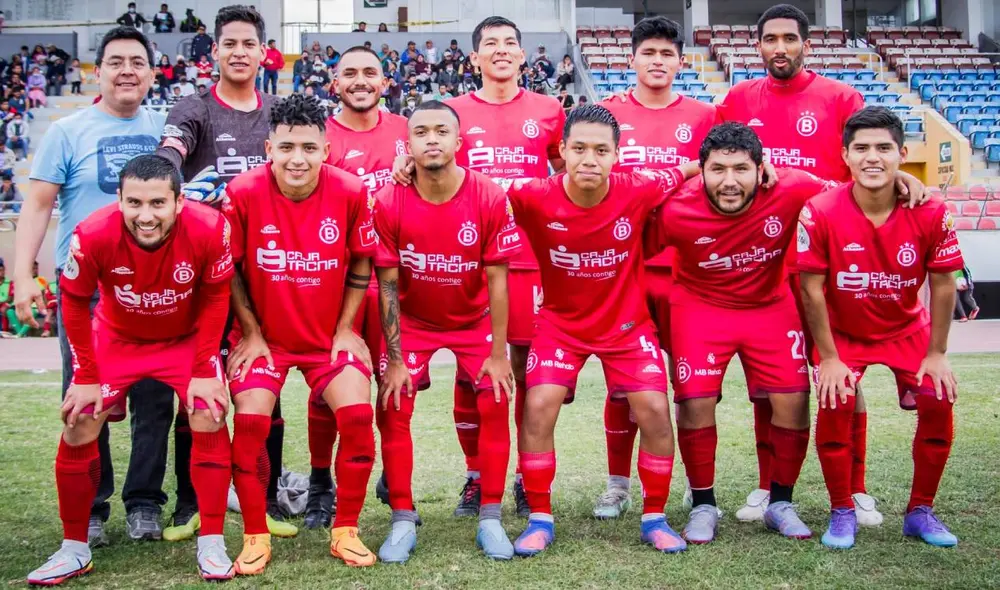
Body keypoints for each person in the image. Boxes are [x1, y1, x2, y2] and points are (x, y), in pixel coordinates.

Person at [26, 154, 236, 585]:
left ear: (179, 202)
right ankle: (74, 548)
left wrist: (203, 368)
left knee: (208, 411)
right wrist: (85, 377)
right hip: (118, 339)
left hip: (185, 339)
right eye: (134, 203)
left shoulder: (212, 227)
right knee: (79, 421)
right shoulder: (93, 233)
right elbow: (74, 302)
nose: (145, 216)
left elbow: (217, 298)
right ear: (119, 199)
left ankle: (212, 542)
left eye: (158, 203)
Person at [500, 104, 697, 557]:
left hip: (626, 327)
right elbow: (473, 189)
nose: (590, 159)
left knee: (652, 407)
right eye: (580, 148)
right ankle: (540, 518)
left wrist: (763, 166)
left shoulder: (639, 187)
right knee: (538, 405)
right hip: (560, 325)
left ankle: (655, 517)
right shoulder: (531, 194)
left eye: (601, 150)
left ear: (616, 156)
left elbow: (690, 168)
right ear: (563, 151)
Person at [392, 16, 566, 518]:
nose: (502, 50)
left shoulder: (549, 110)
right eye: (491, 44)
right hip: (465, 259)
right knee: (474, 374)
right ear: (474, 58)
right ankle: (476, 476)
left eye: (511, 42)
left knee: (523, 373)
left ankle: (522, 475)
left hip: (530, 259)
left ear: (522, 52)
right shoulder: (451, 113)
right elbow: (424, 159)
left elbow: (564, 175)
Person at [713, 3, 875, 524]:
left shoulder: (841, 97)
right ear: (757, 46)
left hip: (828, 258)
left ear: (806, 43)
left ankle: (856, 487)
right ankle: (766, 487)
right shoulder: (738, 99)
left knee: (844, 374)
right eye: (769, 40)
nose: (779, 48)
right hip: (764, 261)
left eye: (788, 38)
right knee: (771, 382)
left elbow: (866, 165)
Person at [13, 26, 172, 548]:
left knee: (153, 402)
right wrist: (22, 275)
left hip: (153, 291)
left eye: (137, 61)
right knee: (85, 398)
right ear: (96, 71)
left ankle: (145, 503)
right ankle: (94, 505)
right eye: (115, 61)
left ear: (152, 72)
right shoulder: (66, 130)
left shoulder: (169, 127)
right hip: (89, 292)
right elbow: (38, 206)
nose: (127, 70)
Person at [221, 94, 378, 572]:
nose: (297, 159)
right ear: (269, 147)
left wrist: (347, 329)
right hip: (266, 339)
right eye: (287, 147)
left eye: (309, 148)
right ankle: (254, 535)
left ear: (326, 149)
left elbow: (362, 260)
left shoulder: (351, 191)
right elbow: (230, 269)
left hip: (324, 340)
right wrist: (250, 333)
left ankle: (345, 530)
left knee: (357, 417)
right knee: (249, 423)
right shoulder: (243, 192)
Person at [155, 4, 294, 542]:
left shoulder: (278, 110)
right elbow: (171, 150)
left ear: (264, 53)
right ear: (214, 52)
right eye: (228, 43)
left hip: (266, 273)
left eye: (248, 44)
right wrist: (175, 184)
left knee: (267, 387)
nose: (239, 52)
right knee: (198, 389)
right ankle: (190, 502)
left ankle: (269, 495)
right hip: (203, 277)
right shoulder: (194, 108)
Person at [799, 106, 963, 550]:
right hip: (844, 334)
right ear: (845, 156)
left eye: (884, 148)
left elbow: (944, 284)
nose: (873, 157)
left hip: (907, 331)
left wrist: (937, 353)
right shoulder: (819, 211)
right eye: (862, 148)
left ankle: (920, 510)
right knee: (836, 400)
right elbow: (811, 290)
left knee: (938, 396)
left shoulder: (931, 211)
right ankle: (842, 510)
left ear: (901, 154)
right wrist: (829, 358)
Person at [373, 100, 520, 563]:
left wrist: (499, 353)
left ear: (459, 142)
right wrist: (395, 359)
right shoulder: (389, 199)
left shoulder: (490, 195)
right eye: (421, 132)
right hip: (414, 322)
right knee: (393, 402)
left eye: (441, 131)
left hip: (473, 320)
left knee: (496, 398)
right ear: (408, 144)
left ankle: (491, 518)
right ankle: (401, 518)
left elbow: (499, 281)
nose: (431, 139)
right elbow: (389, 285)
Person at [596, 16, 718, 520]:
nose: (658, 62)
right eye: (649, 53)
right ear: (632, 59)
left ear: (681, 61)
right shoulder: (603, 113)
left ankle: (696, 485)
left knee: (691, 384)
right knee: (623, 384)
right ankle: (617, 484)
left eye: (668, 54)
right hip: (622, 269)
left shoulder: (706, 115)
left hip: (687, 270)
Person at [304, 46, 408, 531]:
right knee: (325, 387)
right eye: (350, 73)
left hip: (392, 282)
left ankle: (394, 479)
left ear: (385, 82)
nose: (361, 80)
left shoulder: (410, 132)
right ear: (334, 82)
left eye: (370, 72)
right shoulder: (317, 136)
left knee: (393, 385)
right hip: (333, 285)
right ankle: (321, 486)